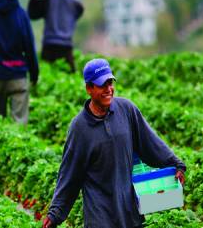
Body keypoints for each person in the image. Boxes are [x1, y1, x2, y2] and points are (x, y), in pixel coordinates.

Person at [42, 58, 186, 228]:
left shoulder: (126, 110)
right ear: (89, 88)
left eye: (110, 83)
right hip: (99, 216)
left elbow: (150, 143)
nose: (109, 89)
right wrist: (55, 214)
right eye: (103, 85)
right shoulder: (79, 128)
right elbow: (70, 174)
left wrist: (175, 164)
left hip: (129, 210)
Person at [28, 0, 84, 73]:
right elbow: (80, 9)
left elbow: (32, 14)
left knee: (46, 76)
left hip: (49, 45)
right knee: (69, 75)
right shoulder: (73, 1)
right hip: (66, 46)